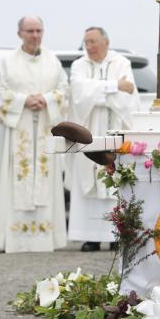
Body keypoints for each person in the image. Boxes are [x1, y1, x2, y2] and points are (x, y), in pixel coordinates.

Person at [0, 16, 69, 253]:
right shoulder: (6, 61)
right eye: (30, 31)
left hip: (44, 126)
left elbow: (64, 90)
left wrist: (47, 99)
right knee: (15, 176)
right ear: (19, 33)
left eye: (39, 30)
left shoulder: (53, 61)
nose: (35, 35)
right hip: (17, 130)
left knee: (45, 176)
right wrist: (23, 100)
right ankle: (12, 238)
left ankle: (45, 239)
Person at [67, 27, 139, 252]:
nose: (89, 46)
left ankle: (115, 235)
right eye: (86, 42)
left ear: (106, 42)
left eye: (93, 41)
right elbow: (78, 94)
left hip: (113, 131)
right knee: (88, 180)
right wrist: (114, 86)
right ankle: (90, 237)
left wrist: (98, 93)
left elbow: (128, 98)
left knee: (113, 178)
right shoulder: (79, 65)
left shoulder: (121, 63)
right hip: (87, 133)